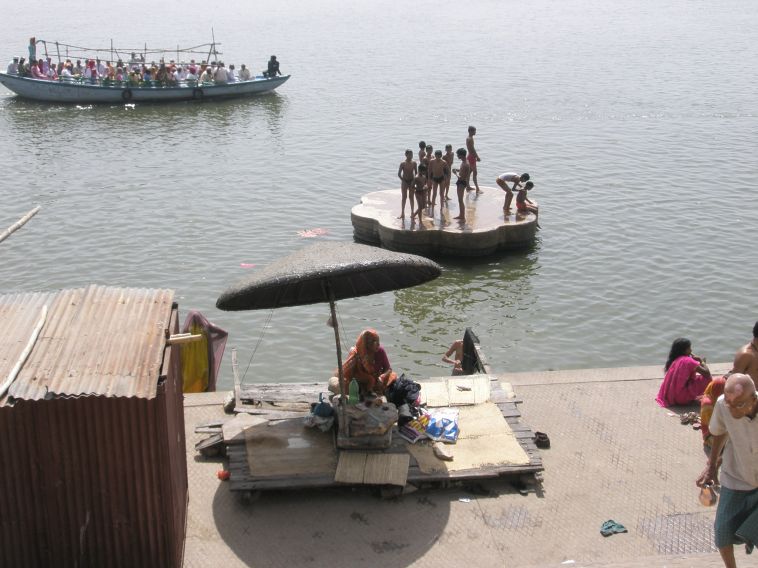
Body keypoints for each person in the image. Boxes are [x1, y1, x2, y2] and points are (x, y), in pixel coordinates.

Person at [697, 374, 758, 567]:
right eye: (729, 403)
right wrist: (711, 465)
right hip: (736, 476)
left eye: (738, 405)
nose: (731, 410)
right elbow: (720, 431)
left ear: (753, 399)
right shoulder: (724, 405)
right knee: (722, 531)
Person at [339, 329, 397, 398]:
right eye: (374, 342)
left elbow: (389, 369)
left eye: (378, 341)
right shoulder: (357, 354)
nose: (378, 344)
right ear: (367, 344)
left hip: (377, 380)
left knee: (393, 377)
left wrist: (382, 376)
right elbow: (348, 374)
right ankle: (367, 391)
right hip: (361, 382)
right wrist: (368, 379)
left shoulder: (380, 351)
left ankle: (374, 390)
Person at [656, 337, 711, 407]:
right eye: (689, 348)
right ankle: (689, 397)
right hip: (681, 398)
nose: (691, 350)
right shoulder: (688, 361)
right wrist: (701, 361)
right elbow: (707, 373)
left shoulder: (676, 359)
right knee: (707, 379)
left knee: (697, 377)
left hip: (671, 395)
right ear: (684, 350)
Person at [452, 148, 471, 221]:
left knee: (460, 200)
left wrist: (455, 173)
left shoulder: (465, 164)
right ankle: (461, 214)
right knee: (460, 200)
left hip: (461, 183)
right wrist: (457, 170)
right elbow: (463, 171)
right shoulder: (465, 162)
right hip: (462, 182)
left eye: (458, 155)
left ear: (461, 155)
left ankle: (462, 216)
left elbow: (461, 177)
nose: (457, 156)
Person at [397, 149, 417, 219]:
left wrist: (414, 182)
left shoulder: (414, 163)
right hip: (404, 181)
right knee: (404, 198)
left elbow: (416, 173)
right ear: (406, 155)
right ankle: (402, 213)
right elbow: (399, 174)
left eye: (412, 155)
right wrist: (403, 181)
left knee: (411, 197)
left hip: (411, 181)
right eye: (409, 155)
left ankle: (412, 213)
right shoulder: (403, 163)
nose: (411, 156)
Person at [465, 125, 481, 193]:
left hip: (470, 156)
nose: (475, 132)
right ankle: (477, 188)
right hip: (471, 157)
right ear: (470, 131)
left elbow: (471, 149)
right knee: (475, 173)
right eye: (474, 131)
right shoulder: (470, 139)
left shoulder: (469, 138)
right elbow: (472, 149)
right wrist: (477, 157)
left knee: (469, 172)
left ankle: (468, 186)